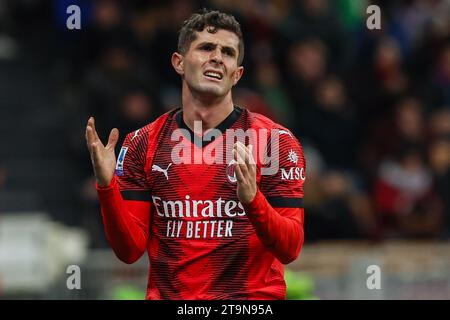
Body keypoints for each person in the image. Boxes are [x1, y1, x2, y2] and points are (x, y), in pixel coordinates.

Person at [85, 9, 306, 300]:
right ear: (178, 62)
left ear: (237, 74)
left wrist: (253, 200)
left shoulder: (274, 142)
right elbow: (129, 251)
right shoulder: (142, 143)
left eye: (227, 52)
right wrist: (107, 186)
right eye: (205, 48)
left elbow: (290, 249)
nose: (217, 57)